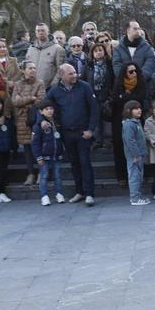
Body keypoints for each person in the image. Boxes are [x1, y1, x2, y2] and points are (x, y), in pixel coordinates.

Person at [44, 64, 98, 206]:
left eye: (75, 72)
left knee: (85, 162)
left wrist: (91, 129)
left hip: (83, 132)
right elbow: (44, 106)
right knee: (74, 163)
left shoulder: (85, 86)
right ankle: (79, 191)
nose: (75, 75)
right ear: (62, 75)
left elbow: (94, 109)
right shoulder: (55, 91)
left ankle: (89, 194)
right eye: (71, 74)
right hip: (67, 133)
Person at [111, 62, 148, 186]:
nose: (134, 74)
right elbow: (116, 99)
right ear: (125, 73)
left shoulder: (141, 84)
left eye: (135, 71)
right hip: (119, 120)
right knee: (119, 147)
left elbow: (140, 99)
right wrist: (128, 98)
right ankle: (121, 176)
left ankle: (139, 175)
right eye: (130, 71)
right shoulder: (118, 85)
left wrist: (126, 97)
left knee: (138, 145)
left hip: (137, 120)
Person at [12, 61, 47, 186]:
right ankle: (30, 173)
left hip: (35, 118)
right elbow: (14, 102)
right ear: (23, 70)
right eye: (30, 68)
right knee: (26, 147)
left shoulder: (40, 83)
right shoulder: (17, 84)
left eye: (34, 68)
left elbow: (40, 101)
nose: (33, 70)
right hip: (22, 119)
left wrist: (23, 100)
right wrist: (30, 98)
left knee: (38, 146)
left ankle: (41, 172)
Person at [32, 101, 65, 205]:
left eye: (51, 108)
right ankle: (44, 195)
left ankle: (59, 193)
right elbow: (35, 143)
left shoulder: (57, 122)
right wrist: (38, 157)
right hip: (44, 156)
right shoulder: (38, 126)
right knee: (44, 176)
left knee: (58, 176)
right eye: (46, 109)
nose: (50, 111)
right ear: (41, 112)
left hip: (56, 155)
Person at [83, 41, 115, 148]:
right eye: (95, 51)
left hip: (107, 95)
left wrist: (111, 95)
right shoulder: (89, 66)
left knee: (107, 118)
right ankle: (97, 140)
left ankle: (108, 140)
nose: (98, 53)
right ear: (92, 53)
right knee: (95, 118)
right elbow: (83, 80)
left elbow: (114, 80)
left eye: (100, 50)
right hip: (93, 95)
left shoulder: (110, 65)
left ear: (105, 52)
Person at [120, 99, 149, 206]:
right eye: (136, 109)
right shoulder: (129, 124)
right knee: (134, 176)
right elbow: (130, 141)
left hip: (140, 154)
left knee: (139, 176)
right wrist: (136, 154)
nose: (139, 110)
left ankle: (138, 195)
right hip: (134, 156)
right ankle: (135, 198)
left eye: (139, 108)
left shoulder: (136, 122)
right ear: (128, 110)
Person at [25, 24, 66, 88]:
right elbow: (26, 67)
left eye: (43, 30)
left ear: (48, 32)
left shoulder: (57, 48)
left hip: (48, 88)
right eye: (38, 31)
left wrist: (53, 85)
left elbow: (60, 69)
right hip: (31, 87)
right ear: (35, 33)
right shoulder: (31, 48)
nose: (40, 33)